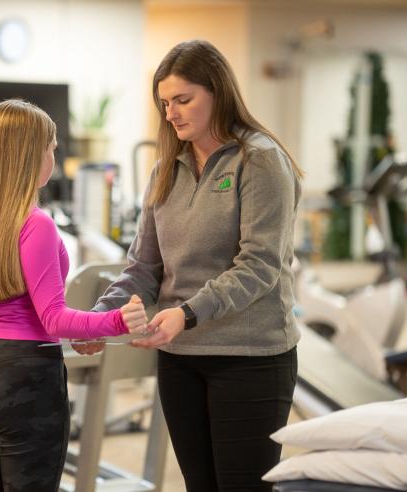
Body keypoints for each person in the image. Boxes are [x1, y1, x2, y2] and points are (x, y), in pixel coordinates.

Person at [86, 39, 304, 491]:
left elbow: (260, 264)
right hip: (181, 360)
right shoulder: (165, 169)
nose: (171, 113)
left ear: (217, 93)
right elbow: (144, 267)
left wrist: (186, 313)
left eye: (183, 100)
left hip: (249, 357)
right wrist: (95, 322)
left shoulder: (260, 160)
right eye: (165, 103)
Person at [0, 99, 148, 492]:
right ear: (30, 155)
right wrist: (119, 320)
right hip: (26, 374)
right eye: (51, 148)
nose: (54, 156)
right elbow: (53, 318)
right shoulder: (36, 225)